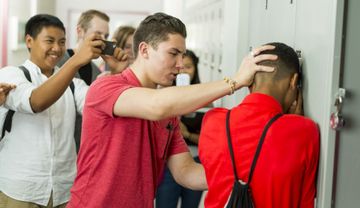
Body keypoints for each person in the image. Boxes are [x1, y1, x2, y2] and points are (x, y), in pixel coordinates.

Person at [67, 12, 277, 208]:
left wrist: (248, 173)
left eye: (182, 55)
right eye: (173, 54)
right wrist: (235, 82)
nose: (180, 64)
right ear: (144, 50)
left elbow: (186, 172)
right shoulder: (106, 87)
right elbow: (156, 105)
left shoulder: (169, 114)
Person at [0, 14, 127, 208]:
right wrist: (76, 60)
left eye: (61, 42)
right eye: (49, 41)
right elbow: (36, 102)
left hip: (63, 190)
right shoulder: (12, 74)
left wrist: (119, 73)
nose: (57, 49)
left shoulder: (75, 85)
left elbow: (105, 108)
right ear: (29, 41)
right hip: (20, 191)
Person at [198, 42, 320, 208]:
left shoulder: (212, 121)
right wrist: (294, 124)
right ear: (294, 81)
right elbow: (305, 202)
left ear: (248, 81)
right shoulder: (305, 131)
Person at [57, 9, 128, 152]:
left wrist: (116, 73)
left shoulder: (97, 71)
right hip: (59, 148)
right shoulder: (58, 62)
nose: (103, 40)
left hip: (85, 149)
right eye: (98, 34)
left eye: (106, 35)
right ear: (80, 31)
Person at [156, 49, 204, 208]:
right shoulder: (163, 96)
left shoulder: (205, 99)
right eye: (181, 67)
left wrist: (187, 134)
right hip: (168, 162)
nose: (184, 71)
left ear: (196, 69)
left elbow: (207, 139)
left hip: (196, 160)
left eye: (189, 67)